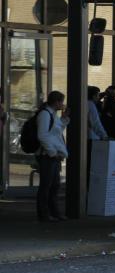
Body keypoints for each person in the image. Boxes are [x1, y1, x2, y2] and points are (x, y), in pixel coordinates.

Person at [36, 91, 69, 222]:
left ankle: (54, 212)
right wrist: (53, 152)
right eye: (61, 102)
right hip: (47, 155)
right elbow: (43, 135)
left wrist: (64, 118)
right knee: (46, 185)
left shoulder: (52, 114)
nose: (63, 104)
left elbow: (56, 131)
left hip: (53, 155)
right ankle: (44, 214)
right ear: (56, 102)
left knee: (54, 185)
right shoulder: (45, 114)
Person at [87, 86, 109, 189]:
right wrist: (104, 135)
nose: (98, 97)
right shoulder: (91, 105)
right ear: (93, 96)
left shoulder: (83, 103)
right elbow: (96, 123)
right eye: (97, 95)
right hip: (92, 138)